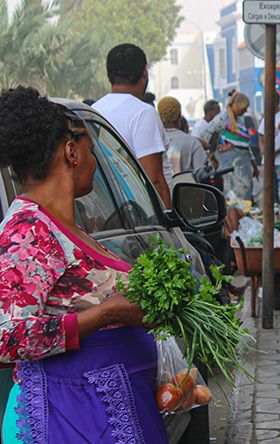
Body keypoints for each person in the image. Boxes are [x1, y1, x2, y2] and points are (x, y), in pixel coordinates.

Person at [0, 86, 167, 443]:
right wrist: (106, 315)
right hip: (72, 417)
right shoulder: (29, 232)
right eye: (92, 149)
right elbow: (8, 337)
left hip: (103, 409)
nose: (94, 160)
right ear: (71, 151)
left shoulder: (67, 225)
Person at [93, 43, 172, 208]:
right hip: (142, 218)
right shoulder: (143, 113)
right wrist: (168, 224)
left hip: (107, 215)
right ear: (145, 72)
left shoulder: (93, 111)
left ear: (109, 75)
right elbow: (154, 181)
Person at [201, 91, 258, 202]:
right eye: (244, 108)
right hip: (228, 167)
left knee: (243, 198)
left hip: (241, 165)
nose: (245, 111)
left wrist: (254, 164)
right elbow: (206, 135)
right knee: (232, 199)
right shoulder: (222, 119)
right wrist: (214, 152)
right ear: (237, 107)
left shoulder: (238, 120)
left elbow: (246, 146)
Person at [257, 92, 280, 209]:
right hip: (268, 161)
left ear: (278, 103)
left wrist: (275, 151)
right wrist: (263, 150)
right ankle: (275, 211)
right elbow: (261, 137)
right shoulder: (265, 118)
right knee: (270, 188)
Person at [158, 96, 207, 174]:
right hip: (186, 186)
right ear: (179, 115)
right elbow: (202, 173)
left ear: (159, 116)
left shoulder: (152, 141)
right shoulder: (192, 142)